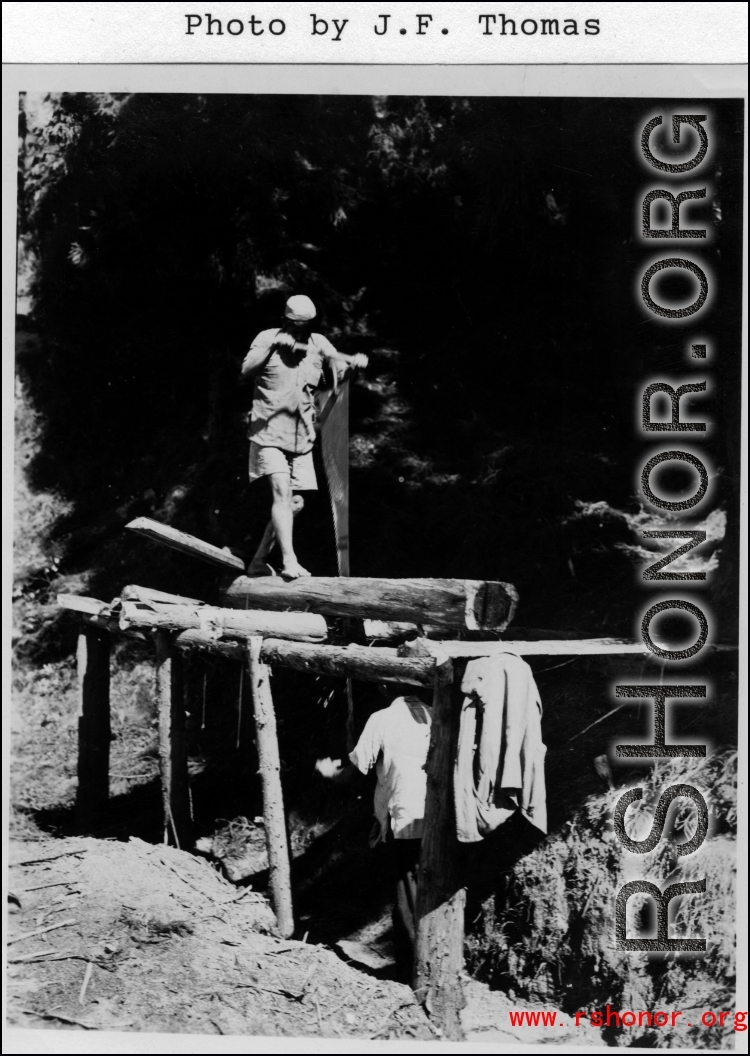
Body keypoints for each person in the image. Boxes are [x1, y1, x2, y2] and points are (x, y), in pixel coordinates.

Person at [241, 294, 367, 579]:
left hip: (302, 440)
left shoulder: (318, 343)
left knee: (293, 504)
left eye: (305, 328)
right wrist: (273, 345)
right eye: (295, 328)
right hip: (268, 434)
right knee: (282, 493)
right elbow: (246, 370)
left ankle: (259, 560)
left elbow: (337, 381)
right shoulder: (266, 338)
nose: (301, 334)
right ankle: (290, 562)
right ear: (284, 320)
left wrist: (352, 368)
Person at [348, 687, 433, 963]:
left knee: (407, 892)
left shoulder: (383, 717)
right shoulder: (437, 717)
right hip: (436, 814)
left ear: (388, 689)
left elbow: (357, 765)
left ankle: (412, 966)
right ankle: (430, 959)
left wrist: (325, 768)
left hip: (406, 816)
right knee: (428, 885)